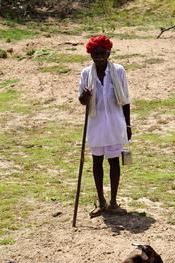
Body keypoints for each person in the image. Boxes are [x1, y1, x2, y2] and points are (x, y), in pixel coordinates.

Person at [78, 35, 131, 217]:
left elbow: (125, 100)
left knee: (114, 161)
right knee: (97, 162)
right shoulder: (86, 73)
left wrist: (128, 124)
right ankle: (101, 202)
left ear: (108, 53)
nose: (99, 57)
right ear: (91, 54)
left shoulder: (118, 71)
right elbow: (82, 101)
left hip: (115, 123)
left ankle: (114, 203)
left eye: (102, 53)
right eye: (95, 53)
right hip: (96, 124)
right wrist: (86, 95)